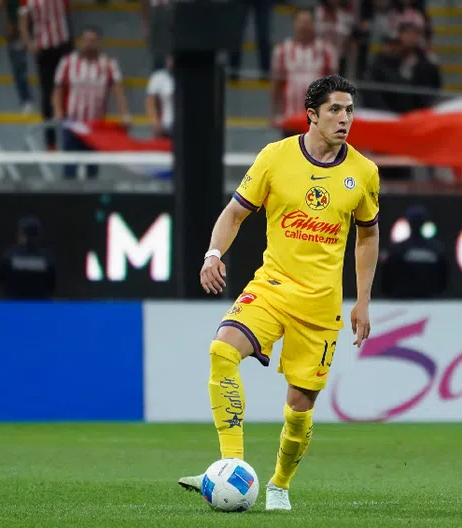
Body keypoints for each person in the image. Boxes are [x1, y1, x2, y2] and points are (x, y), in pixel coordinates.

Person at [177, 75, 380, 512]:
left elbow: (368, 236)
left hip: (320, 306)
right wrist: (213, 254)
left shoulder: (363, 173)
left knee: (299, 408)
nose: (344, 118)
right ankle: (231, 465)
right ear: (312, 115)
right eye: (335, 110)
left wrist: (362, 300)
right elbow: (234, 213)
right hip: (271, 288)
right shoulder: (275, 157)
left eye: (349, 110)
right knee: (222, 350)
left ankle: (279, 486)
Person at [53, 26, 131, 179]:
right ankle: (68, 193)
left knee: (93, 167)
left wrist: (124, 113)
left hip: (95, 125)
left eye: (93, 41)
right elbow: (58, 89)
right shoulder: (68, 62)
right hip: (73, 123)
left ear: (99, 42)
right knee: (69, 166)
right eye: (86, 40)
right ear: (81, 42)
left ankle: (92, 193)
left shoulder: (108, 64)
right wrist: (57, 110)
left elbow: (118, 90)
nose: (89, 44)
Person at [271, 9, 338, 139]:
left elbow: (335, 87)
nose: (304, 26)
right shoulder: (282, 51)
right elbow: (276, 85)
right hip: (291, 117)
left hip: (319, 119)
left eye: (308, 22)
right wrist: (275, 113)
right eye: (301, 22)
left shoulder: (327, 51)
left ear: (314, 25)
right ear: (294, 24)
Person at [19, 0, 73, 150]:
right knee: (47, 94)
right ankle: (51, 141)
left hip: (63, 44)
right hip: (44, 48)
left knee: (68, 91)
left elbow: (67, 13)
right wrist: (29, 44)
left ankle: (71, 136)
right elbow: (23, 22)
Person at [379, 205, 448, 298]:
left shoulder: (396, 250)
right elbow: (443, 282)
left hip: (402, 299)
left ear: (408, 222)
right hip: (430, 300)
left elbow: (386, 282)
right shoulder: (437, 250)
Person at [0, 217, 57, 300]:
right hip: (40, 304)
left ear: (21, 234)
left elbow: (2, 280)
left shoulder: (9, 255)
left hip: (14, 304)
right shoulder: (47, 257)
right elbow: (52, 283)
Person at [0, 0, 34, 114]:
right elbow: (4, 5)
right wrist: (7, 23)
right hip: (15, 28)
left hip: (34, 26)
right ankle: (25, 99)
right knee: (19, 67)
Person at [146, 54, 174, 138]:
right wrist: (155, 122)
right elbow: (150, 102)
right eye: (170, 59)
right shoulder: (158, 77)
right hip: (166, 126)